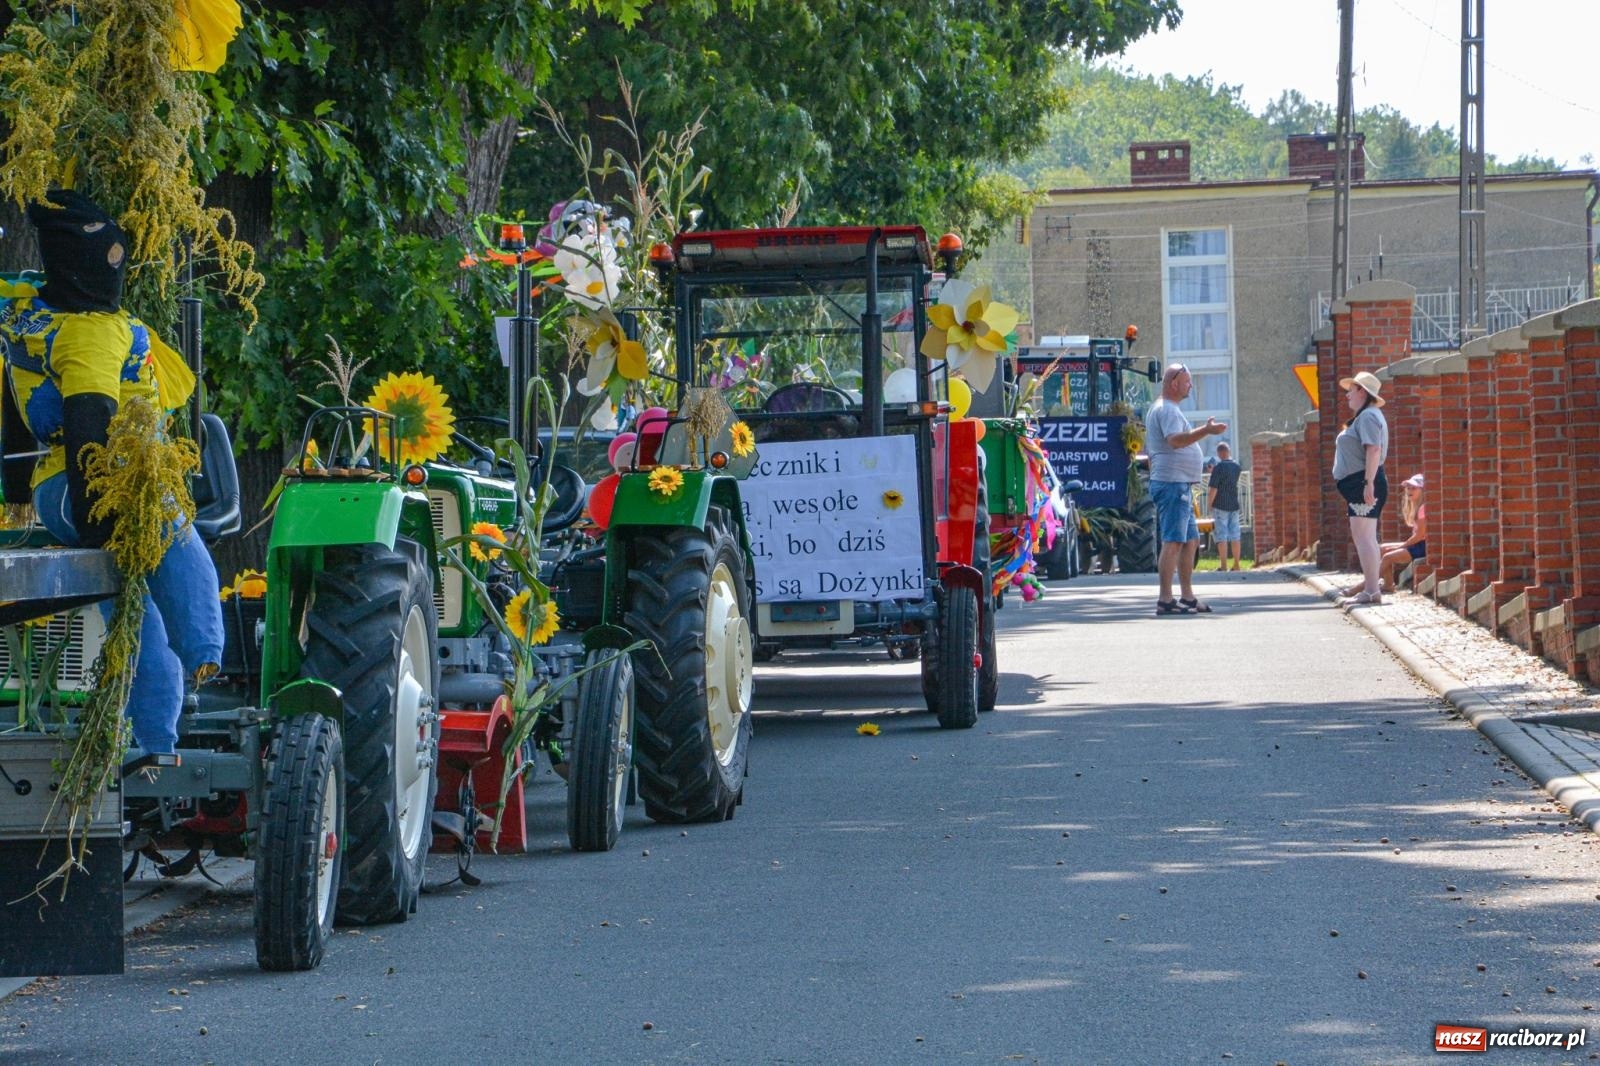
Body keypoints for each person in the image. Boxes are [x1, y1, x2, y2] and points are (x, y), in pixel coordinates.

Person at [0, 190, 222, 754]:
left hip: (73, 485)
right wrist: (97, 513)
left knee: (134, 611)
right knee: (170, 527)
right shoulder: (89, 333)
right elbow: (89, 428)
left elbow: (16, 409)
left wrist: (16, 487)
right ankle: (206, 651)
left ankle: (150, 742)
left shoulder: (31, 322)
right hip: (92, 482)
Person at [1144, 362, 1227, 615]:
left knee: (1191, 540)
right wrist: (1206, 430)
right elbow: (1175, 441)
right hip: (1172, 485)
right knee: (1173, 541)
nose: (1191, 385)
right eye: (1188, 381)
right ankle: (1165, 599)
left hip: (1178, 484)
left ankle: (1187, 597)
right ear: (1174, 383)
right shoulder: (1167, 410)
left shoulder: (1168, 409)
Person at [1331, 370, 1390, 606]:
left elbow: (1373, 449)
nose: (1347, 396)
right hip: (1359, 483)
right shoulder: (1366, 416)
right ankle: (1371, 587)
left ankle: (1372, 590)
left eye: (1351, 390)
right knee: (1366, 537)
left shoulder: (1368, 417)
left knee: (1364, 537)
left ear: (1362, 392)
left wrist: (1368, 483)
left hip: (1361, 483)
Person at [1378, 473, 1427, 591]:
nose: (1409, 491)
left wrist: (1403, 545)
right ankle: (1388, 584)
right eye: (1408, 488)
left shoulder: (1423, 508)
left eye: (1414, 488)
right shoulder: (1417, 507)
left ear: (1422, 490)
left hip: (1422, 547)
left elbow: (1420, 536)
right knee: (1382, 548)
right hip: (1417, 544)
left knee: (1387, 557)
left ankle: (1368, 584)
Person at [1206, 440, 1243, 572]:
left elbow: (1214, 488)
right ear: (1228, 452)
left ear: (1219, 453)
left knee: (1221, 535)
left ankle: (1223, 565)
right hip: (1234, 503)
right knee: (1235, 534)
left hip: (1220, 504)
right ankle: (1237, 564)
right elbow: (1228, 481)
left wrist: (1209, 504)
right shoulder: (1237, 467)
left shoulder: (1218, 468)